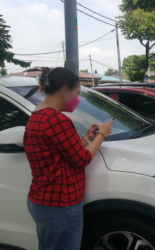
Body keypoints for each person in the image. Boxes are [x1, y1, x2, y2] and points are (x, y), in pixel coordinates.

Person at [24, 67, 113, 250]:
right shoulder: (57, 120)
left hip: (44, 202)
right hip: (60, 205)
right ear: (65, 90)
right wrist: (101, 136)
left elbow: (65, 153)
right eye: (77, 93)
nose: (77, 99)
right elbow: (81, 159)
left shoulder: (38, 115)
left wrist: (87, 137)